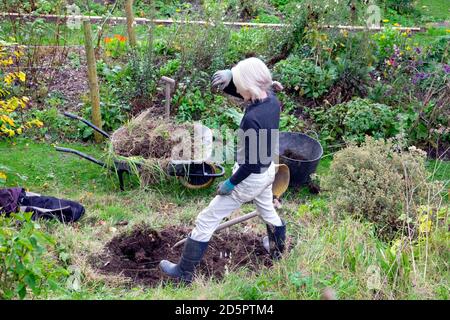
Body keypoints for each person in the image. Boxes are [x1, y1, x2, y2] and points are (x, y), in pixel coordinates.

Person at [159, 57, 286, 283]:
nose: (235, 89)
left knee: (207, 219)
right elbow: (252, 92)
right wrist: (230, 76)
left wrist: (232, 183)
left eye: (237, 85)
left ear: (248, 86)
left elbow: (250, 164)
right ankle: (278, 255)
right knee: (268, 212)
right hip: (268, 173)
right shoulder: (272, 101)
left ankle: (183, 273)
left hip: (250, 177)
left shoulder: (252, 119)